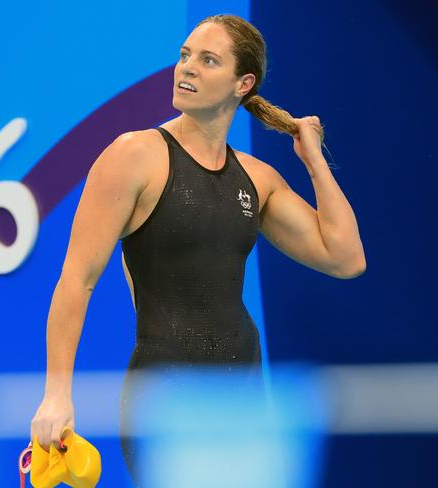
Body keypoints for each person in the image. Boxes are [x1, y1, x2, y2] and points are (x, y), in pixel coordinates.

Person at [30, 13, 366, 486]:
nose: (187, 68)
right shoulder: (134, 156)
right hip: (163, 397)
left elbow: (346, 257)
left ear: (241, 83)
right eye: (185, 55)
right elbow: (77, 281)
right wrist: (56, 395)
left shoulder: (257, 179)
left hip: (243, 394)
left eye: (208, 60)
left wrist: (313, 160)